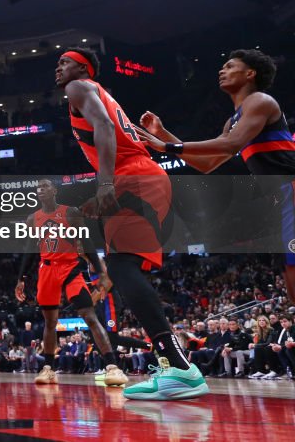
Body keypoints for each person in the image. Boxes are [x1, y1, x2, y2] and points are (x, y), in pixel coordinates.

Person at [56, 48, 207, 400]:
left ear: (83, 67)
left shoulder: (79, 88)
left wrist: (107, 185)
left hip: (132, 179)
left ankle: (180, 368)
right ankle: (175, 364)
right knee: (124, 268)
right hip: (142, 175)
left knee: (122, 268)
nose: (58, 70)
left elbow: (107, 128)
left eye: (64, 62)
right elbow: (134, 140)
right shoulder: (105, 95)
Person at [135, 49, 295, 306]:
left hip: (290, 189)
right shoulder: (233, 120)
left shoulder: (259, 100)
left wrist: (168, 148)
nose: (222, 70)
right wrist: (164, 134)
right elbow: (207, 165)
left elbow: (230, 145)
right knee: (290, 281)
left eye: (230, 66)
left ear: (250, 73)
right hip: (277, 199)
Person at [15, 179, 128, 387]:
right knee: (50, 322)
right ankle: (48, 369)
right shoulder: (33, 218)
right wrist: (21, 279)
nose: (40, 191)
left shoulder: (70, 212)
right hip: (47, 269)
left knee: (90, 316)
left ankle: (113, 367)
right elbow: (29, 249)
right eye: (38, 189)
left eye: (45, 187)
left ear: (54, 191)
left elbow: (86, 242)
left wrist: (101, 271)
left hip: (69, 268)